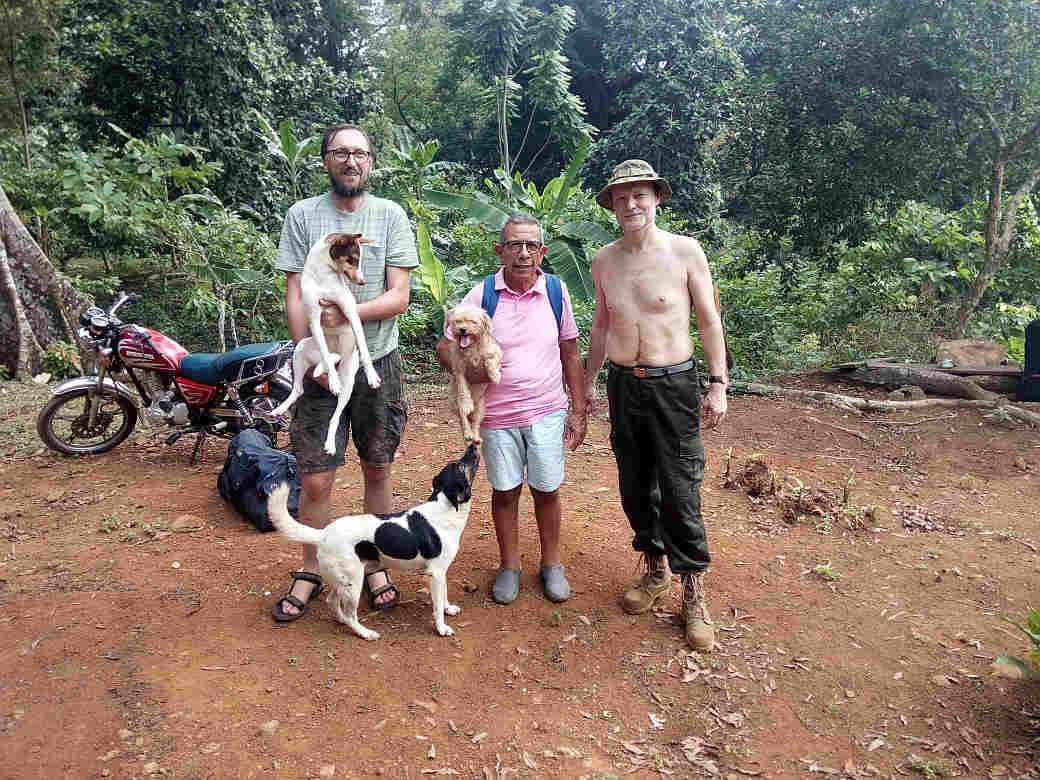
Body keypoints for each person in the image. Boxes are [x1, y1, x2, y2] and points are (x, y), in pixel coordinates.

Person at [271, 123, 418, 622]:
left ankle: (372, 562)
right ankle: (311, 568)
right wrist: (310, 352)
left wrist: (350, 314)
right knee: (316, 479)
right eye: (340, 153)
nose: (350, 161)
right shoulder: (302, 216)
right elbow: (295, 292)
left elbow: (400, 295)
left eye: (359, 153)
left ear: (371, 162)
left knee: (378, 468)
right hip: (320, 366)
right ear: (326, 160)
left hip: (377, 360)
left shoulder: (391, 216)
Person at [583, 160, 728, 651]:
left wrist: (718, 383)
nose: (631, 205)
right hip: (625, 383)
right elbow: (602, 327)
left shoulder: (684, 251)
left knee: (680, 487)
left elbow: (708, 321)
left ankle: (694, 591)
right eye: (621, 198)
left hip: (674, 384)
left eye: (639, 195)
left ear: (656, 198)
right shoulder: (604, 260)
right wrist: (587, 382)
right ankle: (655, 569)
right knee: (634, 484)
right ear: (612, 205)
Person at [437, 214, 587, 604]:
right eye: (514, 245)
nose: (523, 253)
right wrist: (462, 361)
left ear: (542, 251)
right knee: (505, 491)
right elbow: (446, 344)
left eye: (531, 246)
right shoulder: (483, 294)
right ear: (499, 250)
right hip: (497, 415)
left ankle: (552, 564)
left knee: (547, 489)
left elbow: (570, 351)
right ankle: (509, 565)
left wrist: (579, 408)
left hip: (546, 409)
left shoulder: (555, 291)